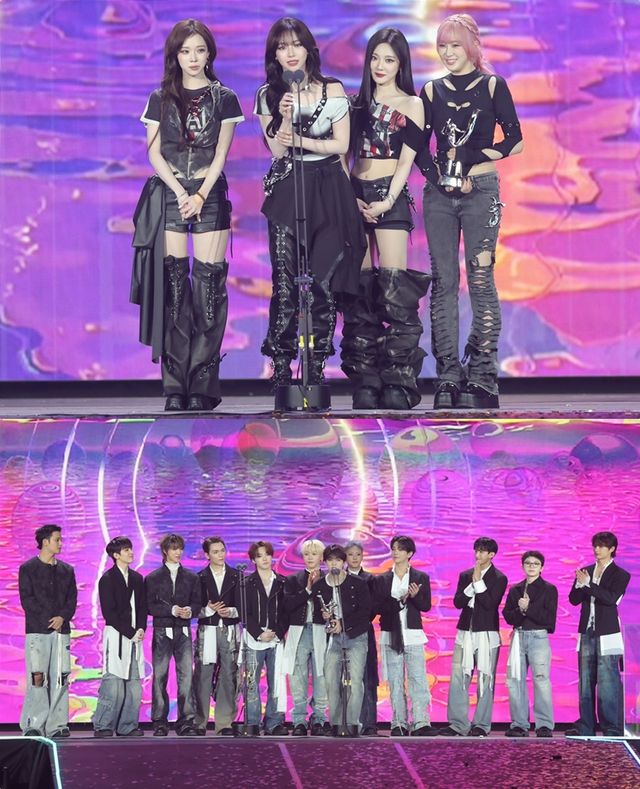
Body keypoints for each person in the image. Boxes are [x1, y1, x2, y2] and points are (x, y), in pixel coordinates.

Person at [137, 18, 244, 411]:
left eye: (200, 50)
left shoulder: (225, 98)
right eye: (186, 51)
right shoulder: (159, 98)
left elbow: (221, 153)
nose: (193, 58)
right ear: (175, 55)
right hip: (171, 196)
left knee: (208, 291)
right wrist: (182, 193)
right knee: (175, 292)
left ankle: (201, 384)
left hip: (209, 196)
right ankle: (174, 387)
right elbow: (154, 153)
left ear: (209, 53)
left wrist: (199, 194)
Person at [418, 14, 523, 409]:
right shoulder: (431, 91)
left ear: (472, 47)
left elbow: (515, 140)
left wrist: (468, 159)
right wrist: (441, 178)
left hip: (481, 190)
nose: (448, 53)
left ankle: (482, 376)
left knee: (480, 279)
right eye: (442, 46)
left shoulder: (492, 85)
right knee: (443, 282)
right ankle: (448, 376)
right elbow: (419, 148)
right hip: (440, 197)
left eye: (455, 45)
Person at [254, 17, 366, 387]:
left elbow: (341, 145)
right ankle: (281, 367)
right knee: (285, 282)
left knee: (323, 282)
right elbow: (277, 151)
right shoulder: (268, 95)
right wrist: (285, 116)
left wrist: (307, 143)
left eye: (296, 44)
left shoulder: (333, 89)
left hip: (330, 187)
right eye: (282, 46)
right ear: (274, 54)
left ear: (308, 49)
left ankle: (316, 366)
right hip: (290, 187)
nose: (290, 53)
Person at [342, 28, 430, 410]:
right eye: (375, 58)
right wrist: (351, 198)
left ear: (401, 64)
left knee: (396, 291)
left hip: (390, 198)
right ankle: (366, 380)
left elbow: (406, 163)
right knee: (360, 290)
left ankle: (397, 380)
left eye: (389, 59)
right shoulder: (354, 104)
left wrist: (387, 200)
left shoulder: (412, 103)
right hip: (354, 197)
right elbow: (342, 156)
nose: (380, 66)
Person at [439, 537, 507, 737]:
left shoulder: (499, 578)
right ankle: (457, 724)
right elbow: (458, 602)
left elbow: (489, 604)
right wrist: (472, 584)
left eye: (482, 551)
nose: (478, 555)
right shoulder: (465, 575)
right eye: (476, 550)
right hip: (465, 633)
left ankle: (481, 725)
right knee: (458, 678)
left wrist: (478, 583)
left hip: (487, 634)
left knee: (485, 679)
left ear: (491, 555)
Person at [567, 531, 631, 737]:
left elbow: (611, 598)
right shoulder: (585, 571)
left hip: (608, 632)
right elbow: (573, 600)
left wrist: (589, 585)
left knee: (608, 681)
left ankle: (611, 727)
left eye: (602, 546)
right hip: (587, 631)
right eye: (595, 545)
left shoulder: (621, 574)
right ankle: (586, 725)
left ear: (612, 549)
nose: (597, 549)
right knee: (585, 682)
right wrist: (580, 585)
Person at [18, 524, 77, 738]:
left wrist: (62, 617)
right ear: (45, 542)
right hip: (37, 631)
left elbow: (72, 600)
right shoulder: (28, 568)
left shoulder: (67, 570)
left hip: (62, 632)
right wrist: (49, 620)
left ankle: (57, 725)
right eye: (57, 539)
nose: (61, 543)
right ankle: (34, 723)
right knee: (38, 677)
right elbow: (27, 600)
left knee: (61, 677)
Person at [375, 536, 434, 736]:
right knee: (395, 680)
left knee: (418, 679)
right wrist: (398, 601)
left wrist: (415, 597)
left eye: (400, 549)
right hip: (391, 634)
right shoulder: (382, 579)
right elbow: (378, 607)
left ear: (409, 553)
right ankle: (398, 723)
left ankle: (421, 722)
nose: (395, 552)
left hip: (413, 635)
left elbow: (426, 606)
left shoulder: (420, 577)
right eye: (393, 548)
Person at [145, 534, 201, 736]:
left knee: (186, 677)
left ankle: (186, 721)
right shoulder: (152, 578)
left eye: (180, 548)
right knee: (160, 676)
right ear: (165, 551)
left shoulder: (192, 577)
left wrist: (190, 611)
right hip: (162, 631)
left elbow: (197, 603)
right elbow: (149, 606)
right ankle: (160, 721)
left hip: (183, 632)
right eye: (174, 548)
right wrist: (171, 610)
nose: (178, 552)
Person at [314, 545, 371, 736]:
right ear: (325, 562)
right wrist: (324, 616)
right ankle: (337, 723)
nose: (334, 564)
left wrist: (344, 624)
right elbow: (316, 615)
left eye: (338, 560)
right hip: (334, 638)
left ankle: (352, 723)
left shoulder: (358, 583)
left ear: (343, 562)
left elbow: (365, 612)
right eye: (330, 560)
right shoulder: (320, 586)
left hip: (356, 636)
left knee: (355, 680)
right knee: (330, 679)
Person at [93, 536, 147, 738]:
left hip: (135, 636)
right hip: (117, 635)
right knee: (113, 682)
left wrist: (140, 628)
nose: (131, 553)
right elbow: (110, 613)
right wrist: (130, 632)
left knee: (134, 683)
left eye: (131, 549)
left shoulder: (137, 578)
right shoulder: (107, 579)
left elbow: (142, 607)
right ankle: (103, 725)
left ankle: (127, 725)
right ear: (116, 555)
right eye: (126, 550)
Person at [503, 550, 557, 738]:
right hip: (518, 636)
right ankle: (519, 724)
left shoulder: (549, 589)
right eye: (528, 563)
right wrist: (521, 610)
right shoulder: (515, 589)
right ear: (522, 566)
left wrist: (528, 609)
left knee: (541, 680)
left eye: (535, 563)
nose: (531, 566)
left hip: (538, 637)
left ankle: (544, 725)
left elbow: (549, 620)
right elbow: (508, 617)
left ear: (542, 567)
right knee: (515, 680)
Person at [193, 536, 240, 736]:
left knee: (229, 674)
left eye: (222, 550)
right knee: (203, 675)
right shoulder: (199, 578)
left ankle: (224, 723)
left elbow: (245, 606)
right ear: (207, 555)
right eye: (215, 552)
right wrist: (209, 609)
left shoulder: (237, 576)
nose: (220, 555)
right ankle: (200, 722)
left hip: (229, 630)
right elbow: (194, 608)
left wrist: (231, 611)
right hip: (208, 630)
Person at [282, 538, 329, 735]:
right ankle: (299, 720)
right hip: (299, 631)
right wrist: (308, 589)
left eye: (314, 554)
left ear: (322, 557)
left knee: (322, 676)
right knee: (297, 677)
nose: (310, 558)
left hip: (321, 631)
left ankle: (319, 719)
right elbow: (288, 605)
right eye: (307, 554)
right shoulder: (293, 580)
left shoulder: (329, 579)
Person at [242, 541, 288, 736]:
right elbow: (244, 612)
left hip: (275, 639)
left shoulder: (282, 582)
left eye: (267, 554)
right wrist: (259, 633)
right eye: (260, 556)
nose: (265, 559)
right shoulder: (246, 583)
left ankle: (274, 723)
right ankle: (252, 722)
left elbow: (286, 612)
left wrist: (276, 632)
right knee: (251, 682)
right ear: (253, 560)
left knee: (276, 681)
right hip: (254, 639)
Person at [345, 540, 379, 735]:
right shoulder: (339, 578)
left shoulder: (370, 579)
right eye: (350, 554)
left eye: (358, 554)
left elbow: (372, 607)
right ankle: (346, 722)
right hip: (341, 632)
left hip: (363, 631)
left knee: (367, 677)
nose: (354, 558)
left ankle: (368, 723)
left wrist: (357, 622)